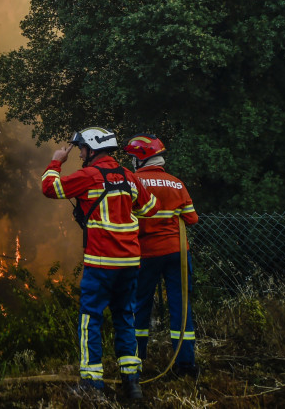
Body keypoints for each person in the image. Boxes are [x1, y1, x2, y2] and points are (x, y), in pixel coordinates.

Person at [42, 127, 159, 399]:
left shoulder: (88, 176)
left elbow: (50, 188)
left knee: (90, 318)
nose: (81, 152)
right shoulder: (129, 177)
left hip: (100, 263)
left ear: (92, 148)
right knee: (125, 318)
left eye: (82, 148)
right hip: (130, 263)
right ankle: (132, 384)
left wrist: (57, 160)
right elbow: (149, 208)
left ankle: (91, 384)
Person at [123, 134, 200, 378]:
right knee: (181, 306)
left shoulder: (134, 182)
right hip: (178, 252)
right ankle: (185, 364)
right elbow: (192, 219)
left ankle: (136, 361)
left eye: (133, 158)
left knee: (139, 306)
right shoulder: (177, 183)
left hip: (146, 254)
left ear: (140, 159)